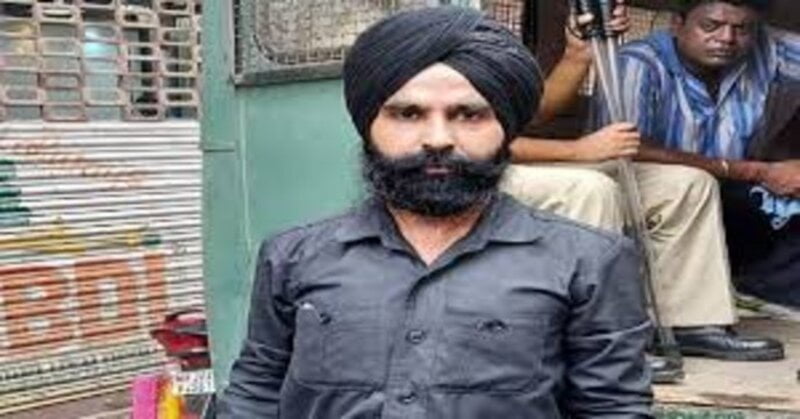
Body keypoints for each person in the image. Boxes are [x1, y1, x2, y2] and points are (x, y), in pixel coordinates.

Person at [217, 6, 653, 418]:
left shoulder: (589, 262)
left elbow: (612, 408)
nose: (438, 138)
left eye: (469, 115)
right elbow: (256, 393)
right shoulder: (293, 257)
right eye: (408, 114)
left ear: (505, 128)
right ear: (369, 125)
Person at [501, 0, 787, 367]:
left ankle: (689, 323)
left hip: (525, 158)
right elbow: (470, 144)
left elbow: (530, 115)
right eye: (712, 26)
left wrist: (578, 55)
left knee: (688, 183)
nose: (727, 37)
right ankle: (601, 338)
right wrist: (577, 150)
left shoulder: (479, 59)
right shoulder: (438, 55)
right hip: (479, 172)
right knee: (591, 187)